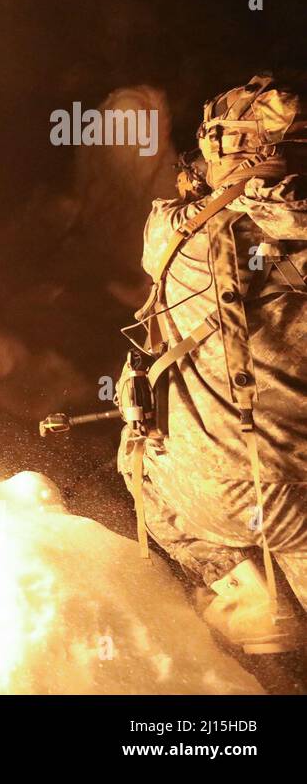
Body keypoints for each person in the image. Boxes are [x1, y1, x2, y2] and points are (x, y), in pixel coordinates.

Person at [118, 73, 307, 657]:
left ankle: (250, 603)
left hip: (200, 495)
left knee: (137, 457)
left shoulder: (166, 231)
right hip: (297, 501)